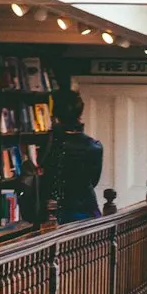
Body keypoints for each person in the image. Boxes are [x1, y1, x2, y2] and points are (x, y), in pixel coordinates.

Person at [50, 90, 104, 221]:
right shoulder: (94, 146)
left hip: (56, 211)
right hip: (86, 208)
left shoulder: (50, 144)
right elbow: (93, 181)